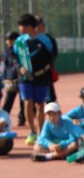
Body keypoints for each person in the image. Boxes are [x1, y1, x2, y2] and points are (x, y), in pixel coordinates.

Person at [14, 13, 53, 145]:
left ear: (29, 26)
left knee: (40, 106)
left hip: (41, 78)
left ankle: (41, 133)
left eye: (21, 25)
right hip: (25, 79)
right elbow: (15, 58)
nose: (19, 28)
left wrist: (39, 72)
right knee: (27, 103)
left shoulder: (45, 40)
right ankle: (32, 132)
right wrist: (20, 68)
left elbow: (51, 59)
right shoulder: (20, 41)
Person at [2, 30, 21, 128]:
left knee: (24, 100)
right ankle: (3, 118)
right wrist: (5, 78)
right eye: (7, 40)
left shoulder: (20, 50)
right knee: (8, 100)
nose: (8, 42)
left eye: (11, 40)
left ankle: (22, 118)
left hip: (20, 79)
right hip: (10, 79)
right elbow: (6, 65)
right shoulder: (6, 51)